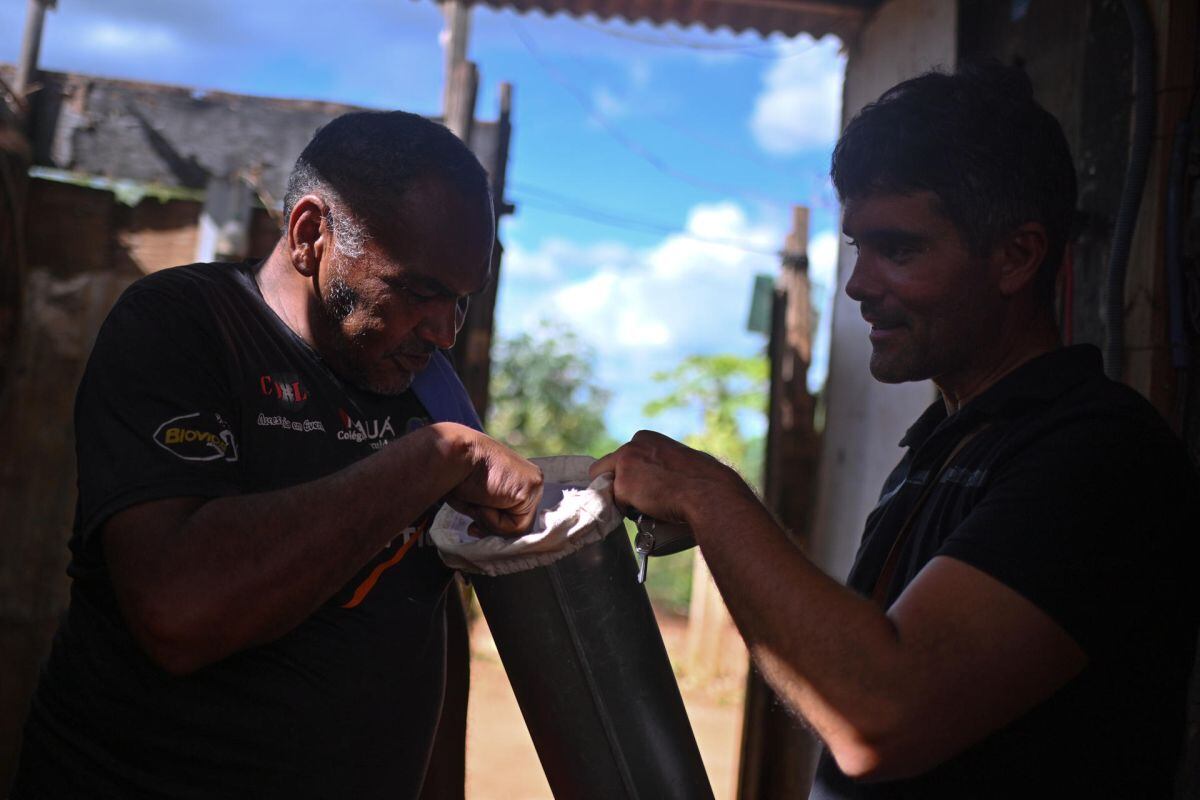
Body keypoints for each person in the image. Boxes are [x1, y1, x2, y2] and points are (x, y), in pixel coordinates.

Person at [594, 63, 1199, 798]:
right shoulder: (942, 451)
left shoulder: (1099, 457)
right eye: (858, 247)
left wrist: (710, 496)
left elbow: (876, 713)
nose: (858, 284)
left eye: (900, 249)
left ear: (1017, 255)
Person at [11, 111, 543, 799]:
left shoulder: (428, 384)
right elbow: (179, 610)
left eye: (463, 301)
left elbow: (426, 608)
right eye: (420, 292)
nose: (444, 332)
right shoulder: (182, 328)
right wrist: (428, 459)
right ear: (310, 235)